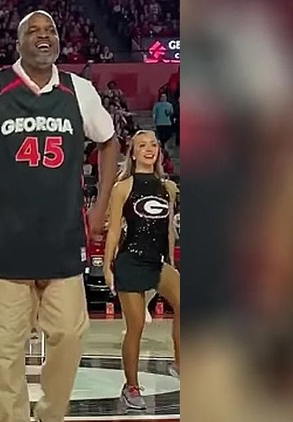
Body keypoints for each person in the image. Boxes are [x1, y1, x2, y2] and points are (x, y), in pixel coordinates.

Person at [0, 11, 118, 422]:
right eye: (33, 31)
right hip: (3, 246)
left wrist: (102, 200)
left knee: (69, 336)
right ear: (18, 42)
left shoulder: (79, 91)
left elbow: (108, 141)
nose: (43, 37)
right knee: (8, 352)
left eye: (49, 31)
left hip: (63, 242)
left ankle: (50, 415)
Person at [103, 130, 180, 410]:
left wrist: (170, 261)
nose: (149, 149)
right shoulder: (123, 187)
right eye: (142, 145)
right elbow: (113, 233)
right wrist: (107, 267)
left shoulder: (167, 187)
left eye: (153, 145)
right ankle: (131, 386)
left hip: (158, 262)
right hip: (131, 261)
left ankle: (180, 362)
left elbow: (168, 229)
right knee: (135, 326)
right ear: (133, 153)